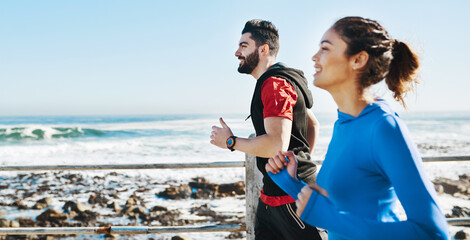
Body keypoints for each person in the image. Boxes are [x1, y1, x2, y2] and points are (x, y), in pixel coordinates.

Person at [265, 16, 450, 240]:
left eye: (325, 48)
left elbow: (433, 233)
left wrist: (331, 218)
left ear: (358, 59)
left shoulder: (382, 126)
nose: (314, 57)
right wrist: (291, 182)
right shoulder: (344, 123)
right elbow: (332, 209)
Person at [210, 19, 324, 239]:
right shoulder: (284, 79)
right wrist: (299, 157)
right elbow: (312, 124)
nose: (236, 52)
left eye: (244, 46)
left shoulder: (274, 84)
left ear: (263, 49)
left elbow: (275, 144)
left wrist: (230, 142)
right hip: (273, 197)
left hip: (291, 199)